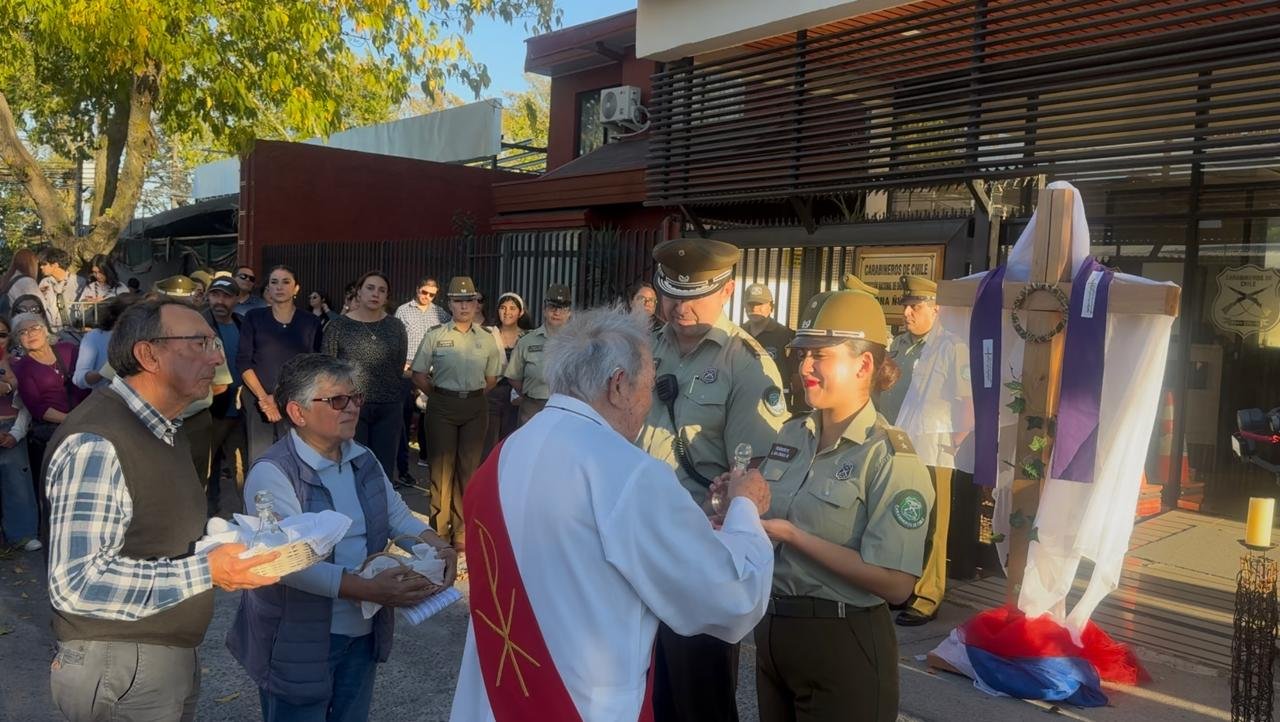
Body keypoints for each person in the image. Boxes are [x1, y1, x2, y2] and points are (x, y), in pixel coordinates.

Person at [449, 306, 774, 722]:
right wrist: (745, 508)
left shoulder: (502, 457)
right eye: (648, 389)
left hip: (500, 699)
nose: (647, 405)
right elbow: (728, 596)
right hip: (580, 703)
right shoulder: (628, 472)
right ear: (619, 385)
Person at [45, 298, 279, 722]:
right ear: (147, 355)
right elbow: (76, 584)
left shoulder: (161, 427)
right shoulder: (98, 441)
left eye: (214, 343)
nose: (216, 357)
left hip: (152, 656)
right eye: (200, 343)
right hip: (123, 663)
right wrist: (208, 570)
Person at [734, 288, 933, 722]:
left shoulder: (889, 458)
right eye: (802, 354)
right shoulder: (791, 436)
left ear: (864, 364)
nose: (804, 366)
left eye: (820, 355)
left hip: (844, 642)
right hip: (773, 636)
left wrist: (791, 534)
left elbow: (897, 584)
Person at [229, 353, 457, 721]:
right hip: (299, 637)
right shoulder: (273, 473)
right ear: (298, 413)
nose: (352, 408)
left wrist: (439, 546)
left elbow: (397, 515)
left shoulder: (361, 457)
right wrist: (367, 590)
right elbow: (287, 562)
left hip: (361, 632)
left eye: (355, 398)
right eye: (337, 401)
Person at [635, 237, 788, 722]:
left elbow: (755, 470)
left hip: (699, 544)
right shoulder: (642, 349)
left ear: (728, 292)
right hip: (637, 535)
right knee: (645, 683)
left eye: (696, 294)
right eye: (672, 294)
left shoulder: (745, 362)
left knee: (698, 689)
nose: (682, 306)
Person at [876, 274, 953, 628]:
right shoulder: (900, 345)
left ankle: (929, 592)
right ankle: (904, 585)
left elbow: (964, 400)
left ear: (936, 310)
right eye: (906, 306)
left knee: (934, 522)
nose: (907, 312)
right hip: (897, 442)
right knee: (902, 516)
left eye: (915, 306)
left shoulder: (951, 345)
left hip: (934, 447)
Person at [410, 276, 503, 549]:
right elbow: (418, 374)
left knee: (469, 470)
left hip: (475, 406)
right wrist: (441, 395)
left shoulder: (487, 339)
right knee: (441, 470)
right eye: (458, 301)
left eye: (469, 301)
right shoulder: (436, 335)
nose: (464, 306)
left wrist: (469, 395)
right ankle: (439, 531)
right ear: (449, 303)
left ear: (476, 304)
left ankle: (461, 532)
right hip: (441, 405)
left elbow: (492, 378)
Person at [322, 271, 408, 482]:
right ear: (358, 292)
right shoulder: (338, 326)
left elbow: (398, 366)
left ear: (387, 297)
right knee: (351, 468)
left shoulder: (396, 327)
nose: (375, 294)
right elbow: (328, 367)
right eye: (370, 288)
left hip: (388, 407)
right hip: (350, 406)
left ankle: (379, 513)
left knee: (382, 471)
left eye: (381, 290)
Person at [237, 265, 323, 464]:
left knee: (296, 455)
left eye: (286, 282)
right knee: (260, 457)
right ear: (268, 287)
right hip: (258, 398)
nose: (279, 287)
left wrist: (279, 397)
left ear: (296, 288)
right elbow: (243, 360)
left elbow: (313, 365)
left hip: (296, 398)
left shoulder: (310, 322)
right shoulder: (254, 317)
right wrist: (265, 400)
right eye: (274, 282)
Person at [13, 312, 88, 527]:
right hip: (52, 430)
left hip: (85, 421)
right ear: (19, 340)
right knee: (56, 485)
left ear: (45, 330)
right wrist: (70, 420)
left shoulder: (68, 350)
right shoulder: (23, 367)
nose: (29, 334)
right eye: (23, 332)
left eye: (34, 328)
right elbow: (38, 408)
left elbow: (86, 383)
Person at [395, 277, 450, 479]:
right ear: (417, 290)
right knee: (405, 414)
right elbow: (397, 337)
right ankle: (402, 466)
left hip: (431, 369)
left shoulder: (440, 313)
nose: (427, 297)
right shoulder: (403, 310)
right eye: (424, 292)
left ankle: (426, 455)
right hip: (407, 368)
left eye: (432, 294)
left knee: (429, 414)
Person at [204, 277, 248, 517]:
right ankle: (208, 517)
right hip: (211, 408)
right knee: (207, 466)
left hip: (240, 409)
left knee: (242, 468)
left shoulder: (243, 324)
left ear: (237, 299)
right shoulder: (200, 324)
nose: (219, 301)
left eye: (226, 296)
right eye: (215, 295)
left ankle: (245, 518)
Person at [505, 284, 571, 428]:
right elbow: (513, 375)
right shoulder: (527, 341)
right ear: (544, 310)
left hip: (566, 408)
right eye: (552, 307)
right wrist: (529, 392)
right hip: (533, 406)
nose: (556, 312)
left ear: (569, 312)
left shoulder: (577, 343)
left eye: (562, 308)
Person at [0, 315, 38, 551]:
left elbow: (27, 404)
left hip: (12, 429)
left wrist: (15, 433)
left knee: (17, 483)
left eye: (2, 334)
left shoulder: (19, 364)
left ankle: (22, 534)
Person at [482, 291, 531, 453]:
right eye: (503, 308)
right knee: (489, 443)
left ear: (521, 312)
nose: (507, 312)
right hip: (491, 393)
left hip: (517, 396)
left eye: (512, 308)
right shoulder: (487, 334)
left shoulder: (529, 337)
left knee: (510, 443)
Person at [741, 283, 799, 412]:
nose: (755, 308)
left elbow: (797, 380)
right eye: (751, 304)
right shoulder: (737, 334)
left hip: (776, 405)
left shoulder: (787, 337)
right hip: (742, 403)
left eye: (760, 304)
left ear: (771, 306)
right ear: (744, 306)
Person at [72, 294, 136, 391]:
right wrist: (103, 373)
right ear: (119, 319)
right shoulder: (95, 337)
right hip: (108, 398)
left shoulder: (143, 336)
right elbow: (78, 379)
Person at [36, 247, 85, 333]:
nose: (41, 267)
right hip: (52, 333)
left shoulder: (79, 282)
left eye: (44, 264)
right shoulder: (44, 283)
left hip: (75, 333)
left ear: (55, 265)